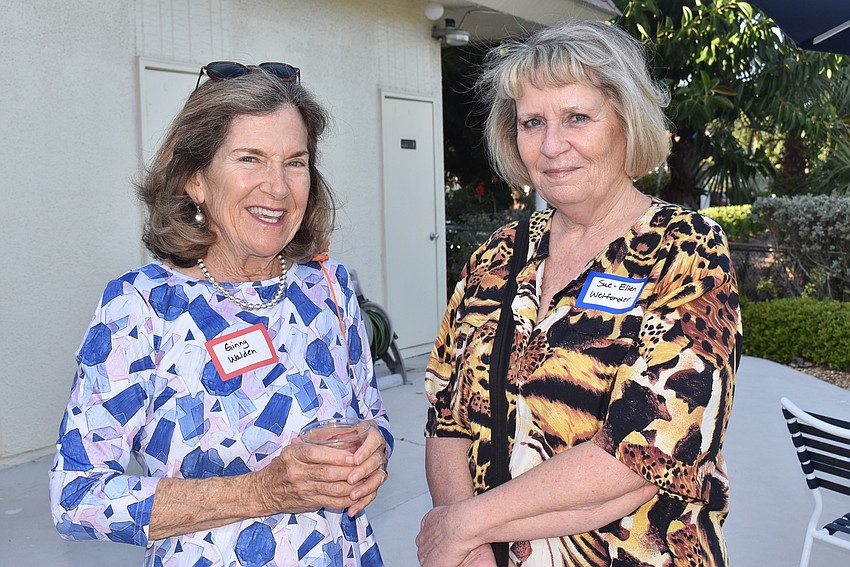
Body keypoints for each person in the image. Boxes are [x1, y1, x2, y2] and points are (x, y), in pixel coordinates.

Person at [416, 20, 741, 567]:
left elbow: (639, 460)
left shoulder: (686, 251)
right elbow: (446, 415)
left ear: (624, 122)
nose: (550, 146)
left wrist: (460, 525)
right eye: (532, 122)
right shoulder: (495, 258)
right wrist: (468, 549)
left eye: (577, 118)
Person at [49, 62, 391, 566]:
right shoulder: (140, 306)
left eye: (295, 162)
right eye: (250, 158)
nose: (278, 187)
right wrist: (264, 492)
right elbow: (75, 498)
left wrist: (374, 450)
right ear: (195, 180)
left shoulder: (329, 286)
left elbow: (373, 416)